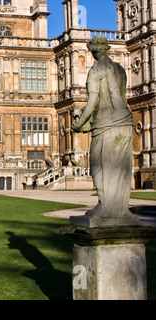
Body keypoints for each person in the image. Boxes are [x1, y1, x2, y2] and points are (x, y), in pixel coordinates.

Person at [71, 36, 140, 227]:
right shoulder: (119, 69)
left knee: (99, 166)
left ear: (92, 51)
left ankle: (107, 207)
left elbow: (93, 103)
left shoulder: (96, 70)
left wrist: (79, 124)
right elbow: (119, 95)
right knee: (121, 168)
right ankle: (117, 209)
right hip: (124, 120)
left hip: (107, 123)